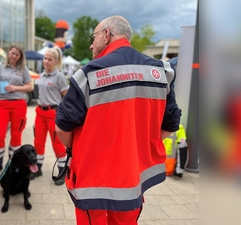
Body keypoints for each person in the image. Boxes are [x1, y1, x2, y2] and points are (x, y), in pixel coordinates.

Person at [55, 16, 181, 225]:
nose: (90, 44)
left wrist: (75, 150)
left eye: (93, 37)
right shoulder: (160, 72)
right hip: (132, 179)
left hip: (91, 180)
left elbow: (62, 127)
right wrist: (140, 146)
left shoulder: (88, 74)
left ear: (107, 35)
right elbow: (171, 123)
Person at [0, 44, 33, 176]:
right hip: (2, 104)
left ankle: (14, 162)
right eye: (12, 53)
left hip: (18, 104)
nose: (14, 56)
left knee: (16, 134)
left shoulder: (23, 69)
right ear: (8, 52)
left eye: (17, 55)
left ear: (20, 57)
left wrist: (15, 88)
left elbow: (29, 87)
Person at [30, 47, 68, 185]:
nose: (46, 61)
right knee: (38, 142)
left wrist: (64, 115)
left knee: (57, 143)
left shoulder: (60, 77)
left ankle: (62, 170)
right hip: (40, 113)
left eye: (49, 59)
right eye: (45, 58)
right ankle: (37, 168)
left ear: (56, 61)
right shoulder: (41, 75)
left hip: (54, 113)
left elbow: (67, 97)